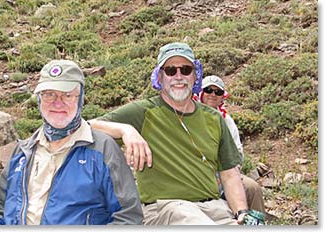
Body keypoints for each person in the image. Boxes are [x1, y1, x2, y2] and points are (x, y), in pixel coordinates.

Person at [89, 42, 249, 225]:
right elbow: (88, 126)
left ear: (195, 75)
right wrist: (126, 129)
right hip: (165, 209)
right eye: (171, 71)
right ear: (160, 76)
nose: (178, 77)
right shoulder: (143, 112)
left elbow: (229, 173)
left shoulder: (214, 118)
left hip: (214, 209)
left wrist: (241, 212)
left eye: (186, 70)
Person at [0, 60, 143, 225]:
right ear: (39, 99)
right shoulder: (22, 152)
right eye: (49, 94)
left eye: (67, 95)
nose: (58, 103)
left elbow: (129, 217)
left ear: (80, 98)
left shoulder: (103, 150)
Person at [198, 75, 265, 213]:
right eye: (208, 90)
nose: (212, 94)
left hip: (224, 171)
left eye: (218, 92)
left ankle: (255, 222)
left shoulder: (227, 121)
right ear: (201, 92)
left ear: (223, 97)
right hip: (196, 172)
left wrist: (228, 173)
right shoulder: (188, 115)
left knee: (252, 188)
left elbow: (237, 153)